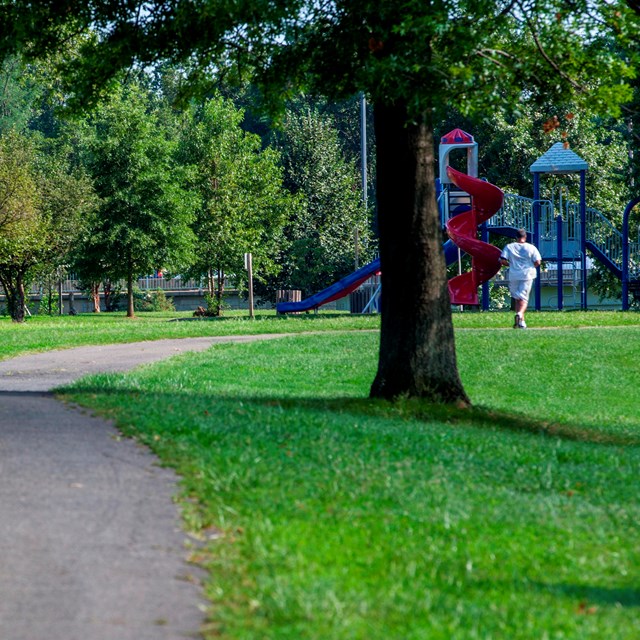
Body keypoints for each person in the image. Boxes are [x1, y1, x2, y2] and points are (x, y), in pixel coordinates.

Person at [499, 228, 542, 329]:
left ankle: (521, 322)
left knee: (518, 298)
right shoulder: (531, 248)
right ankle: (520, 314)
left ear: (516, 237)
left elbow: (503, 260)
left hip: (514, 274)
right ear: (525, 237)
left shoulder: (509, 247)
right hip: (527, 274)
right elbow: (538, 261)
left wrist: (511, 265)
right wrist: (531, 267)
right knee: (524, 298)